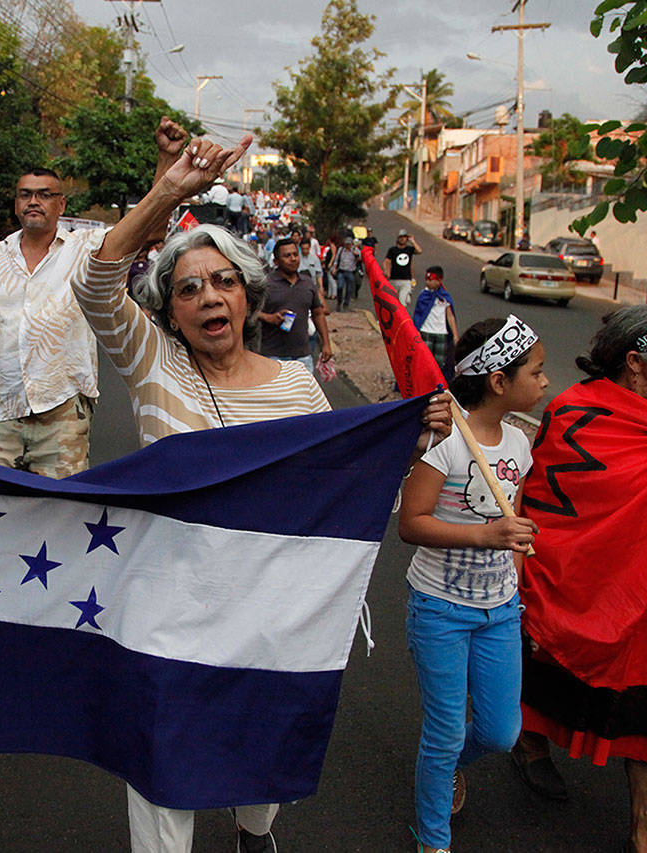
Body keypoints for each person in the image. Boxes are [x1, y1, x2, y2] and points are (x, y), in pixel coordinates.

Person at [72, 129, 452, 852]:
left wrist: (410, 442)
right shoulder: (153, 362)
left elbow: (339, 488)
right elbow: (94, 283)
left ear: (247, 297)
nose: (207, 296)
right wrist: (168, 193)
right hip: (168, 610)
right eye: (187, 288)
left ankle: (254, 830)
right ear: (170, 311)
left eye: (221, 282)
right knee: (161, 764)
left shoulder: (297, 385)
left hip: (269, 613)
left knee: (262, 757)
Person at [514, 305, 647, 853]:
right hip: (600, 591)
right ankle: (530, 743)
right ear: (635, 362)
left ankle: (644, 832)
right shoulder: (578, 413)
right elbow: (554, 507)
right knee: (561, 678)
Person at [0, 118, 189, 477]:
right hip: (2, 412)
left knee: (60, 519)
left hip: (63, 413)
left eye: (44, 194)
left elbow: (149, 228)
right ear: (16, 204)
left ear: (60, 205)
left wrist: (165, 160)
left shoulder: (86, 249)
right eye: (25, 194)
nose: (34, 201)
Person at [398, 316, 548, 853]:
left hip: (501, 611)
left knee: (500, 733)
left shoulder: (519, 443)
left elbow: (518, 530)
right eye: (536, 371)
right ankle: (433, 838)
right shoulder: (444, 440)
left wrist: (520, 591)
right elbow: (410, 524)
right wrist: (486, 535)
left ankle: (444, 771)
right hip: (440, 608)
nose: (545, 381)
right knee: (442, 732)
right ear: (499, 382)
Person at [257, 238, 332, 375]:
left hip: (303, 357)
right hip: (273, 357)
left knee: (303, 396)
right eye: (287, 256)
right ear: (276, 262)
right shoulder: (266, 285)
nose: (293, 259)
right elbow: (247, 311)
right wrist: (269, 317)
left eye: (295, 255)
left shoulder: (307, 283)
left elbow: (318, 314)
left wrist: (326, 344)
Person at [413, 266, 458, 382]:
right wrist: (416, 329)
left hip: (441, 333)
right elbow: (418, 314)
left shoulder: (445, 297)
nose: (428, 282)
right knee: (424, 360)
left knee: (438, 362)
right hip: (426, 331)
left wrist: (455, 335)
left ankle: (434, 383)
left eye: (431, 279)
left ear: (439, 280)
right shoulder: (423, 295)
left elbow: (450, 316)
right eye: (426, 279)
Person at [386, 230, 422, 309]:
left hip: (406, 280)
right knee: (392, 302)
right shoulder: (392, 250)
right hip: (394, 279)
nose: (403, 239)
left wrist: (412, 241)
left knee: (402, 301)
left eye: (405, 237)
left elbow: (419, 251)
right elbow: (387, 262)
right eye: (401, 237)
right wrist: (387, 273)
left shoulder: (409, 249)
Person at [331, 234, 360, 310]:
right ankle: (339, 301)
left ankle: (346, 303)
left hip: (350, 271)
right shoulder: (341, 250)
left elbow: (359, 260)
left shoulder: (355, 250)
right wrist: (334, 268)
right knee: (340, 287)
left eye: (349, 244)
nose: (347, 246)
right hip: (342, 271)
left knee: (349, 289)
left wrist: (355, 255)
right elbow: (337, 260)